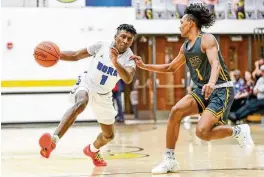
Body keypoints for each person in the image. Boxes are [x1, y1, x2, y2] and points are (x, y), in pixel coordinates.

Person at [130, 4, 254, 174]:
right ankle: (170, 159)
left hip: (220, 89)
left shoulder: (207, 39)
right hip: (201, 89)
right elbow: (170, 68)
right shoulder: (185, 46)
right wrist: (144, 66)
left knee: (202, 132)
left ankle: (239, 131)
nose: (179, 25)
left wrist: (211, 82)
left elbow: (215, 63)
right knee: (176, 111)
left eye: (181, 22)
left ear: (190, 23)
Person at [38, 24, 137, 166]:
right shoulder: (101, 46)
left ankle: (92, 150)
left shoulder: (130, 58)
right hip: (87, 83)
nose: (126, 41)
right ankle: (53, 141)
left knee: (108, 136)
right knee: (81, 103)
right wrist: (55, 56)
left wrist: (115, 62)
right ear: (115, 36)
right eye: (123, 36)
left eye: (129, 39)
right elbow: (75, 55)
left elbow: (128, 79)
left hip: (104, 94)